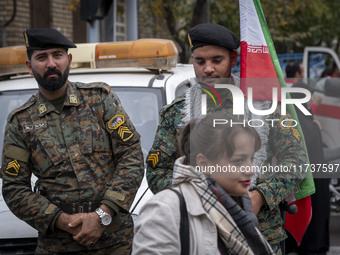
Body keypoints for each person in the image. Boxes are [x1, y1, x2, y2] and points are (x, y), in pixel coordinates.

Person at [146, 23, 308, 254]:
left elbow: (295, 159)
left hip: (260, 230)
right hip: (199, 231)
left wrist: (260, 195)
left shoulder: (264, 104)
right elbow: (156, 170)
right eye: (200, 62)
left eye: (216, 60)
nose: (208, 69)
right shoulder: (177, 112)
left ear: (233, 60)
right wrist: (191, 196)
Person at [1, 28, 144, 254]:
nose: (51, 63)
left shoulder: (100, 99)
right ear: (30, 67)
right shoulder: (21, 122)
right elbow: (14, 188)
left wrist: (103, 214)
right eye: (41, 57)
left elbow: (131, 155)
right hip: (57, 243)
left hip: (114, 239)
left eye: (57, 55)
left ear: (68, 60)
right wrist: (63, 220)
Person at [133, 114, 274, 254]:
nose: (250, 170)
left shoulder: (239, 209)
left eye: (251, 159)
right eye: (238, 161)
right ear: (204, 163)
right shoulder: (165, 210)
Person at [285, 81, 330, 255]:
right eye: (308, 95)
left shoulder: (292, 118)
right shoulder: (308, 125)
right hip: (313, 180)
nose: (311, 100)